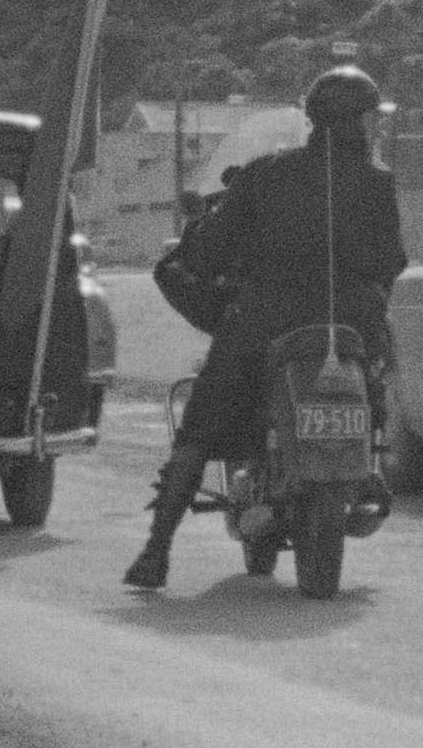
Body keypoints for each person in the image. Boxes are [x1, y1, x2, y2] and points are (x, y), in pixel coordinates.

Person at [124, 66, 405, 591]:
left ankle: (156, 550)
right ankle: (369, 467)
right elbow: (393, 261)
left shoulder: (264, 174)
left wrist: (211, 273)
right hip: (353, 326)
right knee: (377, 382)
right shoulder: (377, 183)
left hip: (264, 323)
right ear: (354, 124)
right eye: (369, 120)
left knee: (200, 427)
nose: (372, 130)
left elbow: (205, 256)